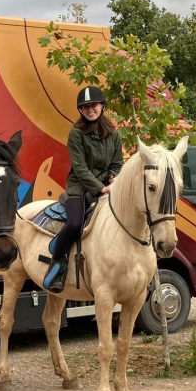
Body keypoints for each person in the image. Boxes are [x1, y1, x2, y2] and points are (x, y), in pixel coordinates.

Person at [43, 86, 123, 293]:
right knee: (75, 223)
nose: (90, 109)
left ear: (102, 106)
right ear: (81, 110)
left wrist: (114, 178)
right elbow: (80, 168)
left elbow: (117, 163)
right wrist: (101, 188)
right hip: (79, 187)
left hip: (107, 186)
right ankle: (56, 263)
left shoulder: (114, 134)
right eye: (85, 107)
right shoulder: (76, 134)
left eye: (93, 105)